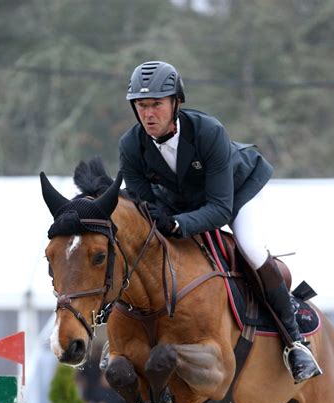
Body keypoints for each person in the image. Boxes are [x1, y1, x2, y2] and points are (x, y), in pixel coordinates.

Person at [119, 60, 321, 384]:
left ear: (176, 103)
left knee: (251, 249)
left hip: (236, 193)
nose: (148, 114)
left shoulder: (208, 131)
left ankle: (295, 343)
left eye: (156, 104)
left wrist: (176, 225)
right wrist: (163, 222)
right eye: (141, 106)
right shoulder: (131, 146)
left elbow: (220, 209)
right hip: (181, 203)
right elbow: (146, 208)